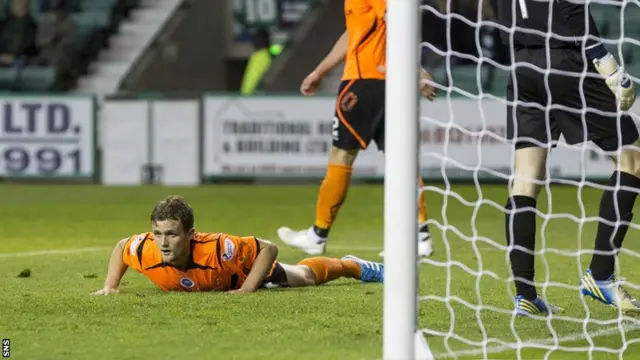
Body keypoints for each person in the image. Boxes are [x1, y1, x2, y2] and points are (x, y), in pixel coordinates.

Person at [496, 0, 640, 316]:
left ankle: (525, 295)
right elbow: (570, 7)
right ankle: (600, 275)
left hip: (523, 66)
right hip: (565, 61)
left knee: (525, 178)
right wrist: (610, 69)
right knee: (633, 160)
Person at [277, 0, 439, 258]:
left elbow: (398, 25)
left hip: (364, 84)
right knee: (400, 160)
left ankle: (317, 236)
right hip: (389, 82)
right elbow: (353, 32)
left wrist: (415, 71)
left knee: (341, 156)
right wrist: (320, 71)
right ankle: (420, 236)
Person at [91, 196, 384, 295]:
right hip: (222, 282)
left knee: (305, 277)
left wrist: (247, 289)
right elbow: (121, 246)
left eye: (172, 234)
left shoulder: (219, 248)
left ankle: (354, 266)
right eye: (158, 233)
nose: (163, 242)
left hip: (248, 273)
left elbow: (269, 248)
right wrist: (111, 285)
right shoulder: (145, 249)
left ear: (191, 234)